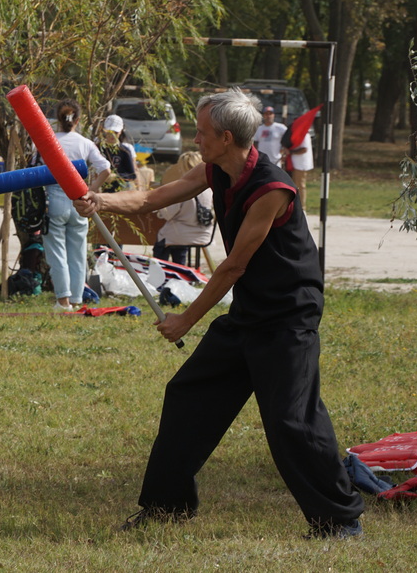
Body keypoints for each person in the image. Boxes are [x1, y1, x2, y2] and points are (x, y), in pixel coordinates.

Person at [73, 88, 364, 539]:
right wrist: (101, 202)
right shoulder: (216, 169)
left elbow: (233, 265)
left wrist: (184, 320)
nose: (196, 137)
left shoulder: (272, 188)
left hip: (288, 316)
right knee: (188, 396)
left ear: (226, 137)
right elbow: (155, 198)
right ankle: (167, 507)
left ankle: (340, 520)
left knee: (291, 421)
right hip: (250, 311)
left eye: (203, 131)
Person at [41, 99, 110, 310]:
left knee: (57, 251)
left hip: (54, 198)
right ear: (78, 120)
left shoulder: (49, 141)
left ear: (57, 121)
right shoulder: (85, 143)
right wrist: (92, 190)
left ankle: (63, 301)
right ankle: (77, 299)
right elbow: (105, 169)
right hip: (80, 200)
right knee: (78, 253)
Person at [152, 151, 213, 265]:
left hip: (182, 234)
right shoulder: (209, 188)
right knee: (178, 244)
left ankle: (160, 274)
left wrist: (160, 208)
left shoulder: (183, 187)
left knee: (162, 242)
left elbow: (167, 215)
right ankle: (181, 268)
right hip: (203, 234)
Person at [98, 114, 137, 192]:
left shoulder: (124, 151)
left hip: (119, 191)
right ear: (104, 131)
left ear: (121, 132)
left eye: (116, 132)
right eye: (110, 132)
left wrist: (116, 176)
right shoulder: (97, 148)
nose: (112, 135)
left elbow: (132, 175)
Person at [283, 130, 313, 212]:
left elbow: (304, 149)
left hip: (301, 164)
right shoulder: (297, 135)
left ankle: (302, 208)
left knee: (300, 184)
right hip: (293, 163)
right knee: (293, 185)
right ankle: (294, 206)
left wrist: (290, 152)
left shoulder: (305, 135)